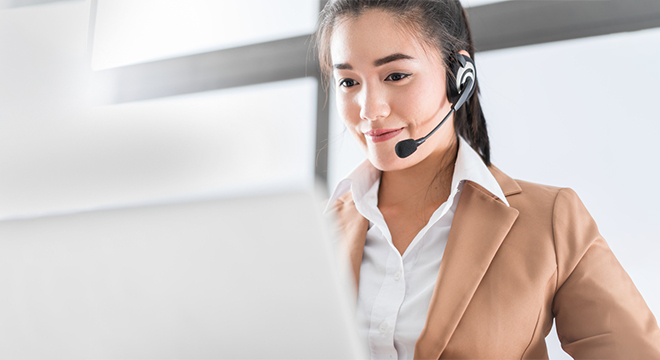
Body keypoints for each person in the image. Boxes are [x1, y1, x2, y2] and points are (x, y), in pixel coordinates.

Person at [317, 0, 660, 358]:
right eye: (348, 82)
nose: (370, 109)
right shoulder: (319, 232)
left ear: (458, 74)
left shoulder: (550, 221)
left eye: (396, 75)